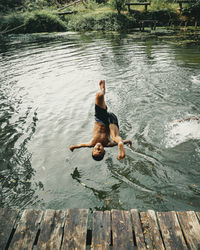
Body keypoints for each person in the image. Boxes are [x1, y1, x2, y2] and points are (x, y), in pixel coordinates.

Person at [69, 80, 132, 161]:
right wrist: (128, 142)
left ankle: (102, 89)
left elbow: (81, 145)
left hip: (100, 118)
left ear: (92, 148)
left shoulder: (91, 143)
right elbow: (127, 141)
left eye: (95, 149)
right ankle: (120, 144)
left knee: (99, 95)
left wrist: (73, 147)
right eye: (100, 151)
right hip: (111, 122)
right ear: (104, 151)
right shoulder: (108, 144)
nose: (97, 148)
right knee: (114, 137)